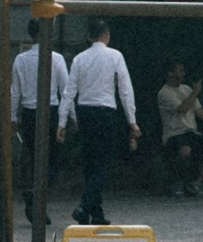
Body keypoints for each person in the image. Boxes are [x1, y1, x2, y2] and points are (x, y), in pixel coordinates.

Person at [65, 17, 137, 227]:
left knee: (90, 162)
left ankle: (95, 212)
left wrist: (64, 120)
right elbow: (125, 90)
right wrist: (132, 120)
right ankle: (84, 206)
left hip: (84, 110)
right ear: (107, 35)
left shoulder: (80, 58)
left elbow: (70, 91)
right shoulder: (115, 56)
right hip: (105, 111)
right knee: (103, 163)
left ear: (89, 36)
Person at [11, 28, 69, 181]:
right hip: (51, 109)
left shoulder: (21, 59)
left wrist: (12, 116)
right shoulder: (57, 59)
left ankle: (34, 183)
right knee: (52, 149)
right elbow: (65, 90)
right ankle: (47, 180)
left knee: (32, 149)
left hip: (29, 111)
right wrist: (69, 114)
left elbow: (15, 91)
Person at [156, 59, 203, 191]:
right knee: (185, 151)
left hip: (192, 131)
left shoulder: (186, 89)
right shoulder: (164, 93)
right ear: (169, 73)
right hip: (175, 133)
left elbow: (199, 111)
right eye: (179, 71)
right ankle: (176, 181)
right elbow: (183, 108)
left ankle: (196, 182)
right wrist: (195, 92)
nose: (182, 74)